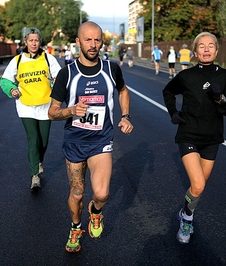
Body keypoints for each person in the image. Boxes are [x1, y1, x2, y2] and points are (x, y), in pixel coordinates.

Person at [48, 21, 133, 253]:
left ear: (102, 42)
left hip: (101, 141)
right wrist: (70, 110)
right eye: (88, 39)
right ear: (78, 42)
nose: (93, 45)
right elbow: (52, 112)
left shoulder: (111, 69)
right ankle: (76, 227)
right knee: (77, 193)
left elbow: (123, 90)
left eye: (97, 40)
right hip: (75, 143)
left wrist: (125, 116)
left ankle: (95, 212)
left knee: (102, 193)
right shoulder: (67, 74)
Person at [162, 32, 226, 244]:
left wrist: (220, 98)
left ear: (216, 50)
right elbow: (168, 91)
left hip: (212, 139)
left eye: (211, 45)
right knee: (197, 185)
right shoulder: (186, 76)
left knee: (199, 187)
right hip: (188, 135)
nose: (206, 49)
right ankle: (187, 219)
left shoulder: (225, 77)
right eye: (202, 46)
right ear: (195, 52)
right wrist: (173, 113)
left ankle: (185, 211)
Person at [0, 27, 62, 190]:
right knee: (33, 139)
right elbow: (5, 80)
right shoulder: (18, 60)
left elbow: (59, 77)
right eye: (30, 40)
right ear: (25, 42)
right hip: (25, 106)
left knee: (44, 141)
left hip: (45, 106)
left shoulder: (49, 59)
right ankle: (35, 175)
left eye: (36, 40)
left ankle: (39, 160)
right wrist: (12, 89)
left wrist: (57, 88)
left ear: (40, 41)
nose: (34, 43)